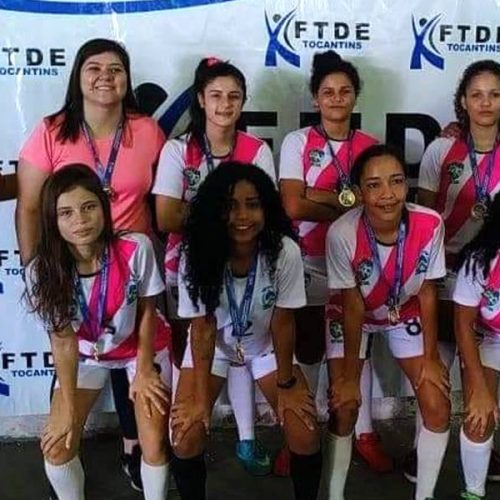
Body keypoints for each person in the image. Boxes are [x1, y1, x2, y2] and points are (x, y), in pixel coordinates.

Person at [16, 38, 166, 492]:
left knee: (137, 383)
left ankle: (133, 446)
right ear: (77, 74)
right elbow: (27, 207)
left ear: (127, 78)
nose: (105, 76)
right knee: (66, 417)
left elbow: (161, 200)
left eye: (116, 68)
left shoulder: (147, 131)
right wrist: (35, 269)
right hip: (73, 269)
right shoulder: (52, 131)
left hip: (131, 268)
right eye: (94, 67)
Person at [152, 57, 276, 475]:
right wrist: (228, 217)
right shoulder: (177, 149)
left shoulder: (257, 150)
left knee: (241, 341)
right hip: (187, 270)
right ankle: (188, 433)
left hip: (248, 266)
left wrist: (206, 215)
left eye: (234, 96)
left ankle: (246, 439)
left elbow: (266, 216)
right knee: (192, 354)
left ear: (242, 103)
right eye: (216, 95)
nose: (225, 104)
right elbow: (166, 217)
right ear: (201, 100)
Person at [170, 161, 322, 500]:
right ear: (214, 211)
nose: (242, 216)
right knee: (185, 435)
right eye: (230, 206)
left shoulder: (284, 252)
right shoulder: (194, 254)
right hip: (216, 350)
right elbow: (203, 328)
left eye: (252, 204)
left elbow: (283, 321)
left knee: (306, 432)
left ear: (266, 207)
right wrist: (197, 400)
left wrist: (285, 384)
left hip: (266, 345)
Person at [25, 164, 171, 500]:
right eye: (66, 212)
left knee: (153, 444)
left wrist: (146, 368)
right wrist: (68, 411)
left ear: (103, 208)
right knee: (58, 445)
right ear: (53, 220)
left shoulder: (136, 248)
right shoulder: (41, 271)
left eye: (88, 207)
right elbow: (62, 341)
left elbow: (149, 309)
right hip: (85, 353)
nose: (80, 220)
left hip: (140, 350)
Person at [279, 49, 390, 473]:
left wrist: (318, 196)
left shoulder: (370, 146)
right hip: (308, 262)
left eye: (345, 91)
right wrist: (347, 204)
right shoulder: (297, 142)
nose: (337, 99)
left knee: (352, 354)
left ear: (355, 97)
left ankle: (362, 433)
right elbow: (291, 205)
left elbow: (378, 206)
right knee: (306, 351)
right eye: (328, 92)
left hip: (358, 265)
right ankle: (299, 434)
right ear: (315, 98)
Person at [324, 144, 450, 500]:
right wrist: (348, 377)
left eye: (396, 182)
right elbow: (350, 304)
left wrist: (430, 356)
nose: (387, 194)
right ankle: (333, 495)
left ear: (406, 186)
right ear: (359, 191)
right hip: (353, 315)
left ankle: (424, 496)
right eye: (374, 185)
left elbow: (427, 291)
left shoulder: (430, 223)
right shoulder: (341, 232)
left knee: (438, 404)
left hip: (403, 309)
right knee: (345, 408)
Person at [417, 59, 500, 483]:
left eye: (494, 94)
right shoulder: (440, 149)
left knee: (482, 376)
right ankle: (425, 457)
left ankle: (480, 449)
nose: (485, 103)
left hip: (492, 281)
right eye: (476, 94)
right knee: (436, 371)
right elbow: (426, 218)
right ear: (462, 102)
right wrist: (430, 273)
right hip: (446, 272)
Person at [453, 192, 500, 499]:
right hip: (488, 338)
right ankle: (473, 493)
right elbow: (463, 325)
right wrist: (480, 388)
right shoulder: (480, 261)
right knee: (478, 416)